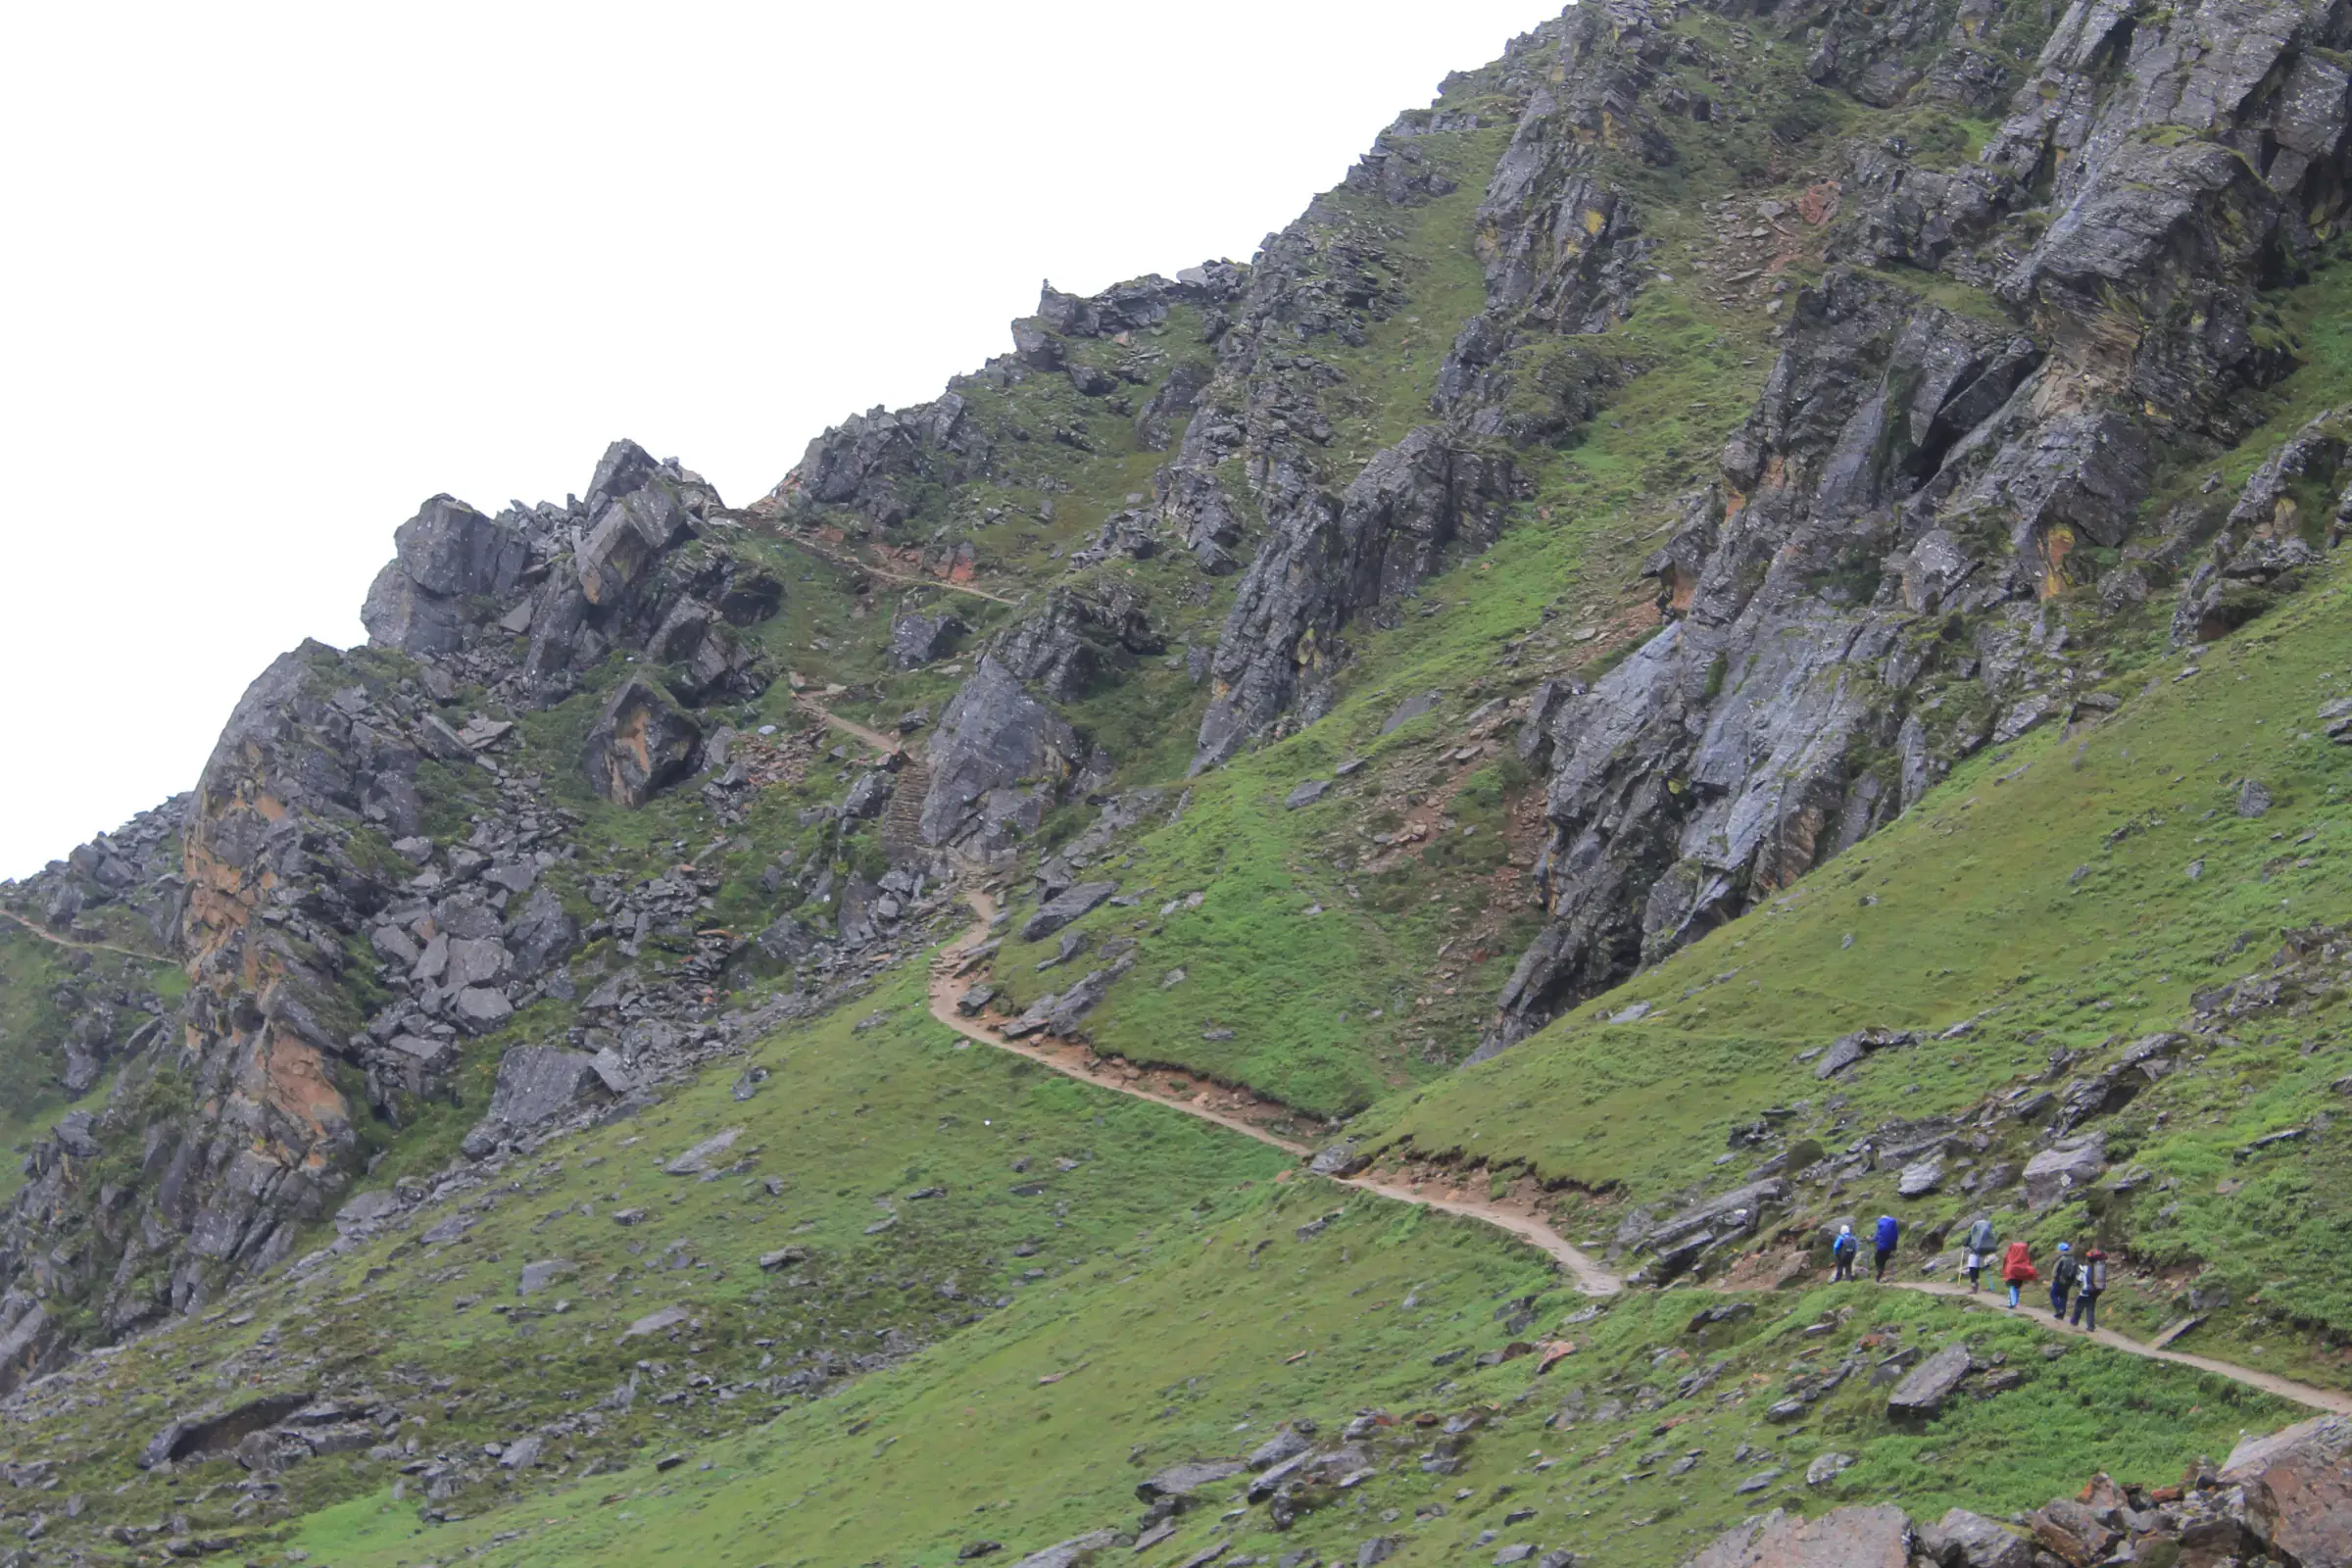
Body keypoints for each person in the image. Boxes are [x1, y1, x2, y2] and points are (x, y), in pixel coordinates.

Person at [2069, 1247, 2107, 1332]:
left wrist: (2077, 1284)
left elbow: (2080, 1279)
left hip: (2086, 1290)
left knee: (2079, 1305)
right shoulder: (2100, 1267)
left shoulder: (2085, 1268)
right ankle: (2091, 1326)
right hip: (2096, 1290)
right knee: (2091, 1308)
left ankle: (2074, 1321)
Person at [1964, 1216, 1998, 1293]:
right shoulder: (1989, 1229)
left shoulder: (1975, 1228)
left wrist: (1967, 1243)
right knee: (1979, 1266)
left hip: (1976, 1250)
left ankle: (1974, 1284)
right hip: (1988, 1250)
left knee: (1972, 1266)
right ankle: (1984, 1284)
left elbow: (1967, 1240)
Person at [2001, 1240, 2037, 1308]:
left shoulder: (2011, 1254)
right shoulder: (2024, 1257)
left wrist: (2004, 1272)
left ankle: (2012, 1303)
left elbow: (2005, 1261)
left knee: (2012, 1287)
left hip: (2011, 1272)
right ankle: (2015, 1301)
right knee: (2017, 1287)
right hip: (2021, 1273)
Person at [2049, 1242, 2078, 1319]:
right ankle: (2062, 1314)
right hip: (2068, 1282)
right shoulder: (2072, 1258)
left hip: (2059, 1280)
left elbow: (2056, 1270)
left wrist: (2054, 1278)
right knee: (2063, 1296)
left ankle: (2059, 1310)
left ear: (2060, 1249)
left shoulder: (2060, 1258)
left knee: (2053, 1294)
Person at [1873, 1214, 1899, 1281]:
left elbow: (1875, 1237)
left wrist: (1869, 1238)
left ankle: (1881, 1273)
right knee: (1885, 1259)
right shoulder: (1893, 1222)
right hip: (1891, 1247)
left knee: (1878, 1259)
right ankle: (1888, 1276)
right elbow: (1896, 1235)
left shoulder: (1880, 1224)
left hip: (1881, 1247)